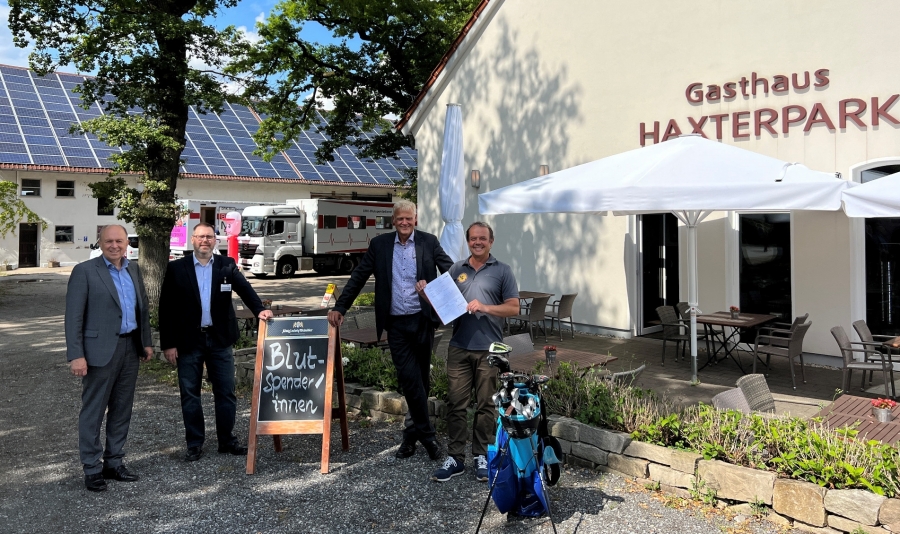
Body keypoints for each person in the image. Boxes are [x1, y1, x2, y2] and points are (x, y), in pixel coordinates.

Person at [328, 199, 454, 460]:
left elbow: (452, 271)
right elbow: (358, 277)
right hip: (395, 323)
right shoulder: (380, 245)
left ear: (415, 219)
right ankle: (429, 438)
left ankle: (410, 436)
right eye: (400, 219)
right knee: (409, 379)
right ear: (393, 221)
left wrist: (446, 289)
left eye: (409, 218)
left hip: (422, 320)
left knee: (421, 380)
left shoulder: (428, 242)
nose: (405, 222)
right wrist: (340, 307)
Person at [159, 222, 273, 462]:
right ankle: (194, 444)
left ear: (215, 241)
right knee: (190, 394)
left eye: (209, 237)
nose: (205, 241)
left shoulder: (226, 265)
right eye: (200, 236)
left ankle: (227, 440)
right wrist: (168, 344)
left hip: (220, 340)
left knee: (226, 392)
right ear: (192, 240)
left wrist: (259, 310)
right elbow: (167, 308)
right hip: (188, 341)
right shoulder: (176, 268)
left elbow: (245, 289)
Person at [65, 224, 153, 492]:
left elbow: (143, 309)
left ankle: (114, 462)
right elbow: (73, 317)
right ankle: (92, 468)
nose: (114, 245)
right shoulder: (85, 271)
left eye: (119, 241)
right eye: (109, 241)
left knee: (122, 409)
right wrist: (76, 355)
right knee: (93, 411)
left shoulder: (134, 269)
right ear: (100, 243)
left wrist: (146, 342)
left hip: (130, 349)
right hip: (99, 353)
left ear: (127, 243)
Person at [431, 222, 519, 483]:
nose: (477, 242)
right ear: (468, 241)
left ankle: (481, 454)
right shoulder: (457, 269)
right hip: (459, 347)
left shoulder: (503, 271)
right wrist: (428, 295)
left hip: (489, 349)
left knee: (486, 406)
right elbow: (444, 308)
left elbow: (513, 308)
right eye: (472, 239)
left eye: (482, 238)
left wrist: (486, 307)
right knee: (456, 405)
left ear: (491, 241)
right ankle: (456, 458)